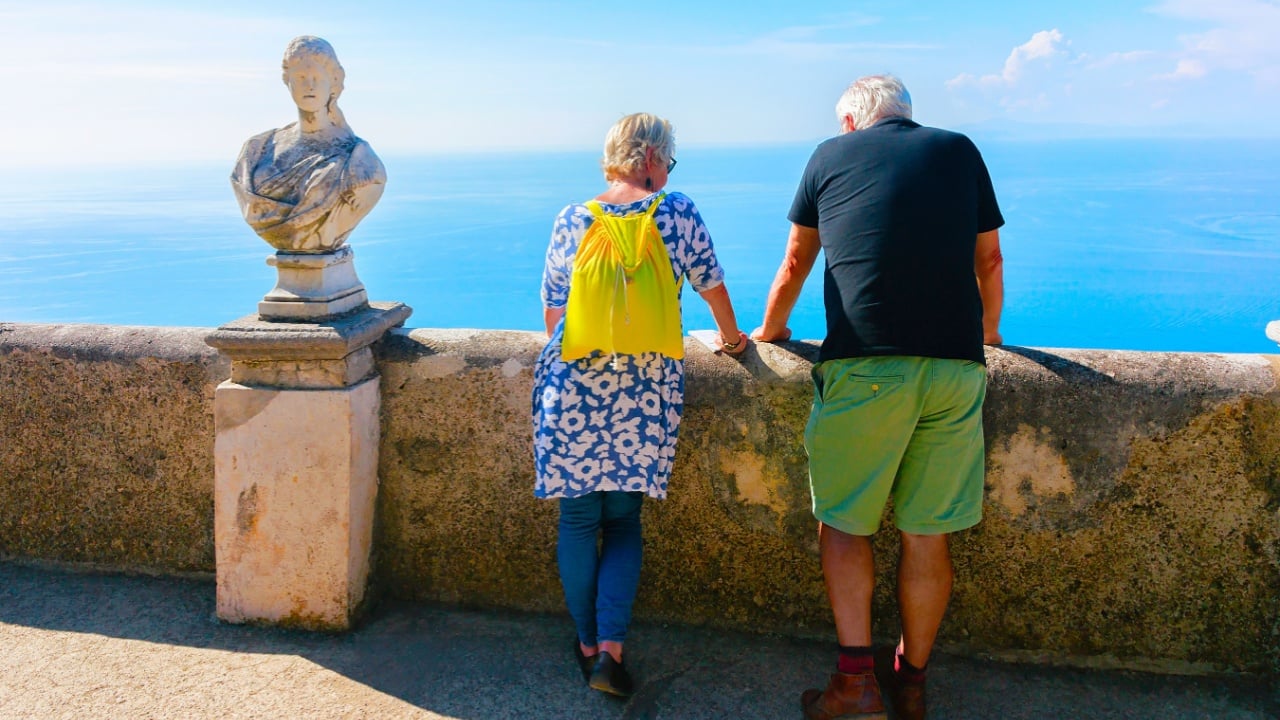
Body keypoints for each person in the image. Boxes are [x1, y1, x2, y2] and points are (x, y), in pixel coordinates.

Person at [752, 75, 1005, 720]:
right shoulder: (959, 150)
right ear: (906, 116)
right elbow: (990, 260)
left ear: (849, 122)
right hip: (955, 369)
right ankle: (912, 684)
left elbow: (795, 261)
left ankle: (856, 686)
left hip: (866, 365)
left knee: (843, 522)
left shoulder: (828, 156)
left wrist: (770, 332)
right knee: (926, 535)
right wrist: (988, 333)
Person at [532, 112, 748, 698]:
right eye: (669, 162)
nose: (668, 171)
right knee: (623, 521)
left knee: (578, 520)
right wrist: (733, 340)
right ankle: (611, 649)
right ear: (652, 157)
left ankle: (584, 645)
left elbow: (554, 313)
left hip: (572, 388)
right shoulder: (676, 212)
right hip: (643, 391)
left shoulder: (572, 218)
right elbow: (712, 287)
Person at [231, 35, 386, 253]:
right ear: (288, 82)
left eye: (317, 78)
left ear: (332, 83)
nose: (309, 85)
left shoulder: (360, 163)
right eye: (301, 77)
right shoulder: (256, 151)